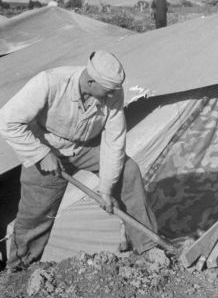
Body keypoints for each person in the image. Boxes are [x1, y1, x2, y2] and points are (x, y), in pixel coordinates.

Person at [0, 51, 160, 271]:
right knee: (36, 212)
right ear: (90, 80)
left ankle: (150, 249)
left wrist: (106, 188)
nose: (113, 95)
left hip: (86, 146)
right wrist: (40, 153)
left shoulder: (113, 93)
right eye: (108, 91)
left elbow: (114, 141)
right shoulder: (50, 82)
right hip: (46, 145)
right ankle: (19, 269)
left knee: (128, 171)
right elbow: (7, 121)